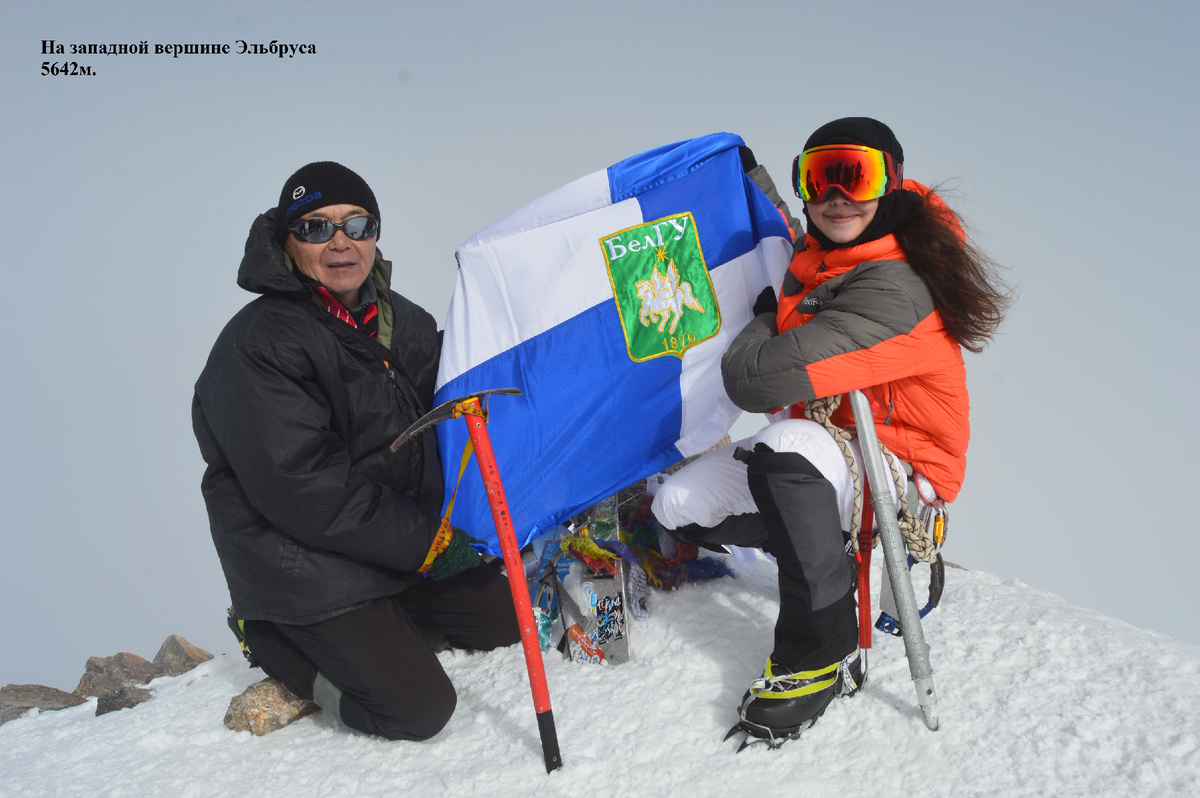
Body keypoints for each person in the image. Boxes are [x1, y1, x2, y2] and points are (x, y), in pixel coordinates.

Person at [651, 118, 1009, 744]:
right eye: (819, 178)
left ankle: (823, 653)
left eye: (857, 175)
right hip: (826, 451)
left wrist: (762, 322)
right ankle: (814, 546)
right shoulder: (819, 257)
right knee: (677, 504)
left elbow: (755, 381)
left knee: (787, 452)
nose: (836, 196)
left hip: (901, 468)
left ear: (891, 183)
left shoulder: (898, 286)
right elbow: (789, 232)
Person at [192, 162, 520, 741]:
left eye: (356, 224)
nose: (340, 242)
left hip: (386, 545)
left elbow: (457, 405)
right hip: (304, 559)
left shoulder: (405, 323)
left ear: (375, 234)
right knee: (416, 710)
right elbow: (306, 491)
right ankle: (274, 640)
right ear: (287, 242)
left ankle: (384, 631)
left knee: (507, 617)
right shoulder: (259, 345)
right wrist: (427, 543)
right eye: (316, 228)